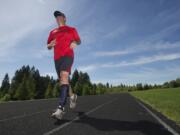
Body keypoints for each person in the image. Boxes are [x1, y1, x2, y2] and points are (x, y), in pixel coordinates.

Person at [47, 10, 81, 120]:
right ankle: (72, 96)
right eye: (56, 17)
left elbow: (79, 40)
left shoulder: (71, 29)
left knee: (64, 76)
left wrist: (75, 42)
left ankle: (60, 108)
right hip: (57, 59)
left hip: (68, 55)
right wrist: (50, 45)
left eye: (60, 16)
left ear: (65, 18)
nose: (58, 18)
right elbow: (48, 45)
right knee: (63, 80)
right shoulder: (52, 32)